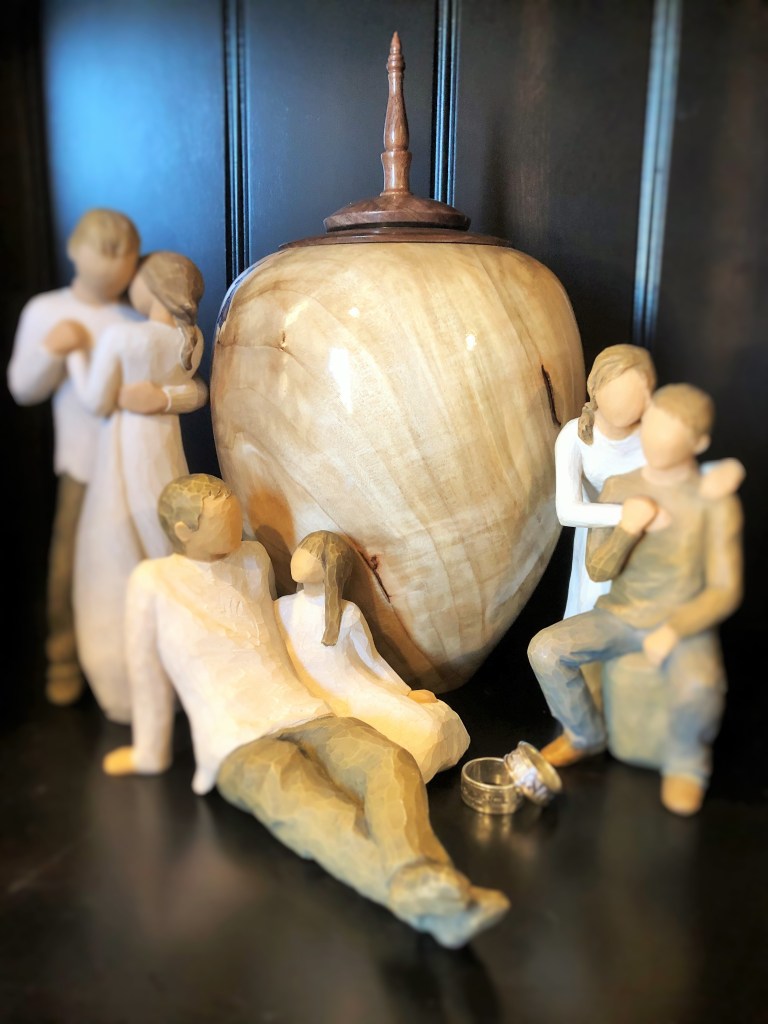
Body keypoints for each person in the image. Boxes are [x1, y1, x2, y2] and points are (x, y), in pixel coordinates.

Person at [103, 473, 509, 947]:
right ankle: (439, 899)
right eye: (222, 521)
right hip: (237, 739)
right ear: (182, 530)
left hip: (306, 711)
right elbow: (146, 677)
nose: (237, 526)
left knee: (389, 761)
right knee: (313, 808)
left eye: (235, 515)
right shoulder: (153, 583)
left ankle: (421, 888)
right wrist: (149, 753)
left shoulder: (252, 559)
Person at [529, 384, 743, 816]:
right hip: (620, 615)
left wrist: (675, 629)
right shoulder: (620, 486)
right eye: (654, 426)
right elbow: (598, 569)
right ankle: (584, 734)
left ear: (698, 443)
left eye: (672, 433)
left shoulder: (713, 503)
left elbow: (725, 590)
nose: (657, 440)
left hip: (681, 621)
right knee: (546, 650)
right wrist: (627, 527)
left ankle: (687, 765)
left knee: (700, 685)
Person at [46, 250, 208, 723]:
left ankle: (123, 689)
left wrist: (76, 354)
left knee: (114, 554)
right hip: (166, 456)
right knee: (167, 549)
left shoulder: (124, 337)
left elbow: (96, 401)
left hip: (121, 457)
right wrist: (167, 398)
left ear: (150, 286)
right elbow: (197, 391)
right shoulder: (190, 339)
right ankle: (176, 684)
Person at [554, 344, 743, 708]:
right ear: (596, 388)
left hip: (649, 540)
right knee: (590, 616)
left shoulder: (651, 432)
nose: (627, 405)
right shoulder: (575, 437)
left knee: (642, 622)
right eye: (617, 392)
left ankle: (633, 703)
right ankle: (587, 707)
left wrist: (719, 469)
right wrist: (626, 515)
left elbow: (680, 473)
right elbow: (567, 511)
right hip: (599, 539)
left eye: (637, 395)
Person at [7, 209, 141, 705]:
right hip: (82, 464)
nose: (115, 259)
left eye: (125, 251)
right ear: (73, 249)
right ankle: (62, 655)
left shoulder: (132, 316)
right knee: (67, 560)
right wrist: (50, 350)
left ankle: (130, 658)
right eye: (104, 248)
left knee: (130, 559)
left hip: (129, 463)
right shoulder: (46, 311)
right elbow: (22, 388)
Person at [275, 530, 469, 781]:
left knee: (418, 728)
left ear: (331, 567)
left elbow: (372, 660)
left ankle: (403, 774)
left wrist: (405, 692)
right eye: (302, 549)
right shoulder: (280, 608)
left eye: (312, 554)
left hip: (354, 689)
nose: (299, 558)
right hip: (306, 695)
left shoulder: (348, 613)